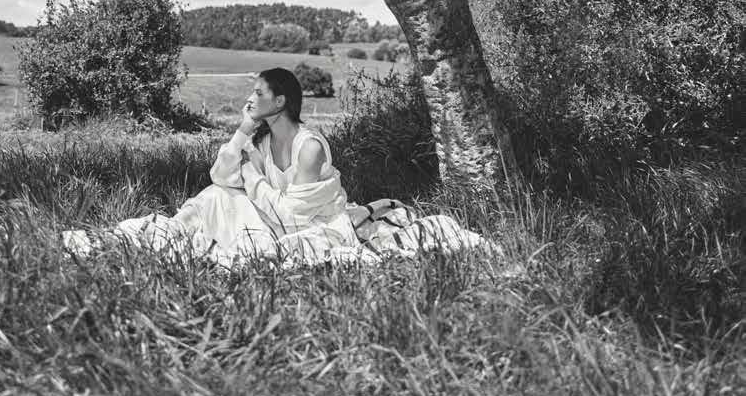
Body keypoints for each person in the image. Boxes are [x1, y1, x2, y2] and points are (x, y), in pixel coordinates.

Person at [62, 67, 501, 267]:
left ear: (281, 101)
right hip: (274, 219)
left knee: (230, 199)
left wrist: (251, 175)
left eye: (258, 94)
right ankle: (139, 237)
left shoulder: (309, 148)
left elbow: (294, 217)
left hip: (310, 227)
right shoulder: (260, 139)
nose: (250, 99)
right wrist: (242, 129)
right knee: (215, 196)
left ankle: (176, 239)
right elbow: (221, 177)